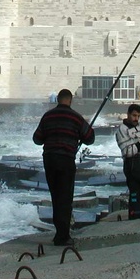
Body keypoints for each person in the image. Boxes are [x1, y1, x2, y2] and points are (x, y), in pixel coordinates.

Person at [33, 88, 95, 246]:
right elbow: (90, 138)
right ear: (70, 100)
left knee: (55, 196)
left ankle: (59, 233)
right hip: (66, 160)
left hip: (50, 160)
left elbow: (37, 139)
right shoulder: (75, 117)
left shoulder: (48, 116)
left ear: (57, 100)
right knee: (65, 197)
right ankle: (63, 236)